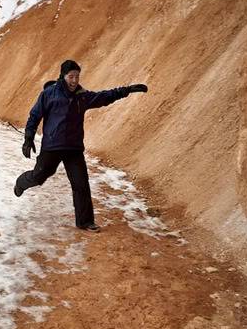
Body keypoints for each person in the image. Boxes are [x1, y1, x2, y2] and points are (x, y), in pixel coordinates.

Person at [14, 59, 148, 231]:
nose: (75, 80)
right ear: (63, 76)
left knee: (81, 183)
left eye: (77, 76)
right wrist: (28, 138)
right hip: (52, 146)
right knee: (39, 177)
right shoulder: (49, 94)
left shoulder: (82, 96)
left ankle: (85, 221)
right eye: (71, 76)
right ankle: (21, 183)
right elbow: (34, 116)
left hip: (73, 148)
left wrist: (126, 90)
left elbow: (104, 97)